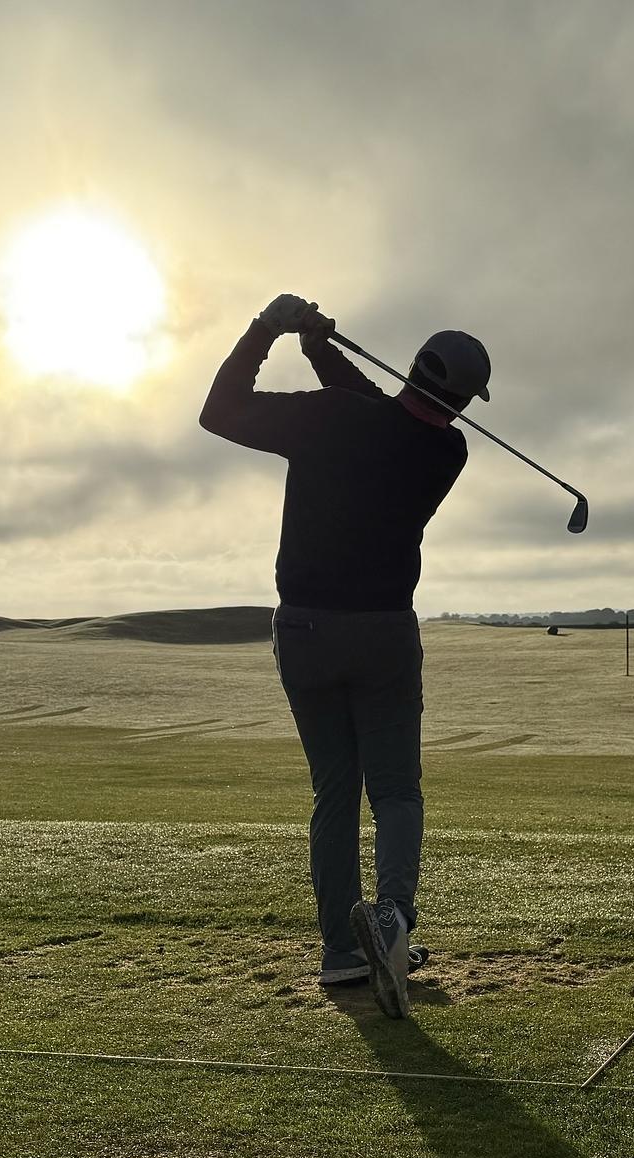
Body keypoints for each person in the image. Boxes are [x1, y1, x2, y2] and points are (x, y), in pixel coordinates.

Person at [199, 294, 491, 1019]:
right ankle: (390, 921)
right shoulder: (446, 450)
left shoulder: (329, 419)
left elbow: (221, 411)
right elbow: (389, 419)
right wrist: (319, 349)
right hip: (385, 635)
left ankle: (340, 951)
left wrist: (272, 329)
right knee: (394, 791)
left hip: (305, 632)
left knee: (336, 792)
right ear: (459, 401)